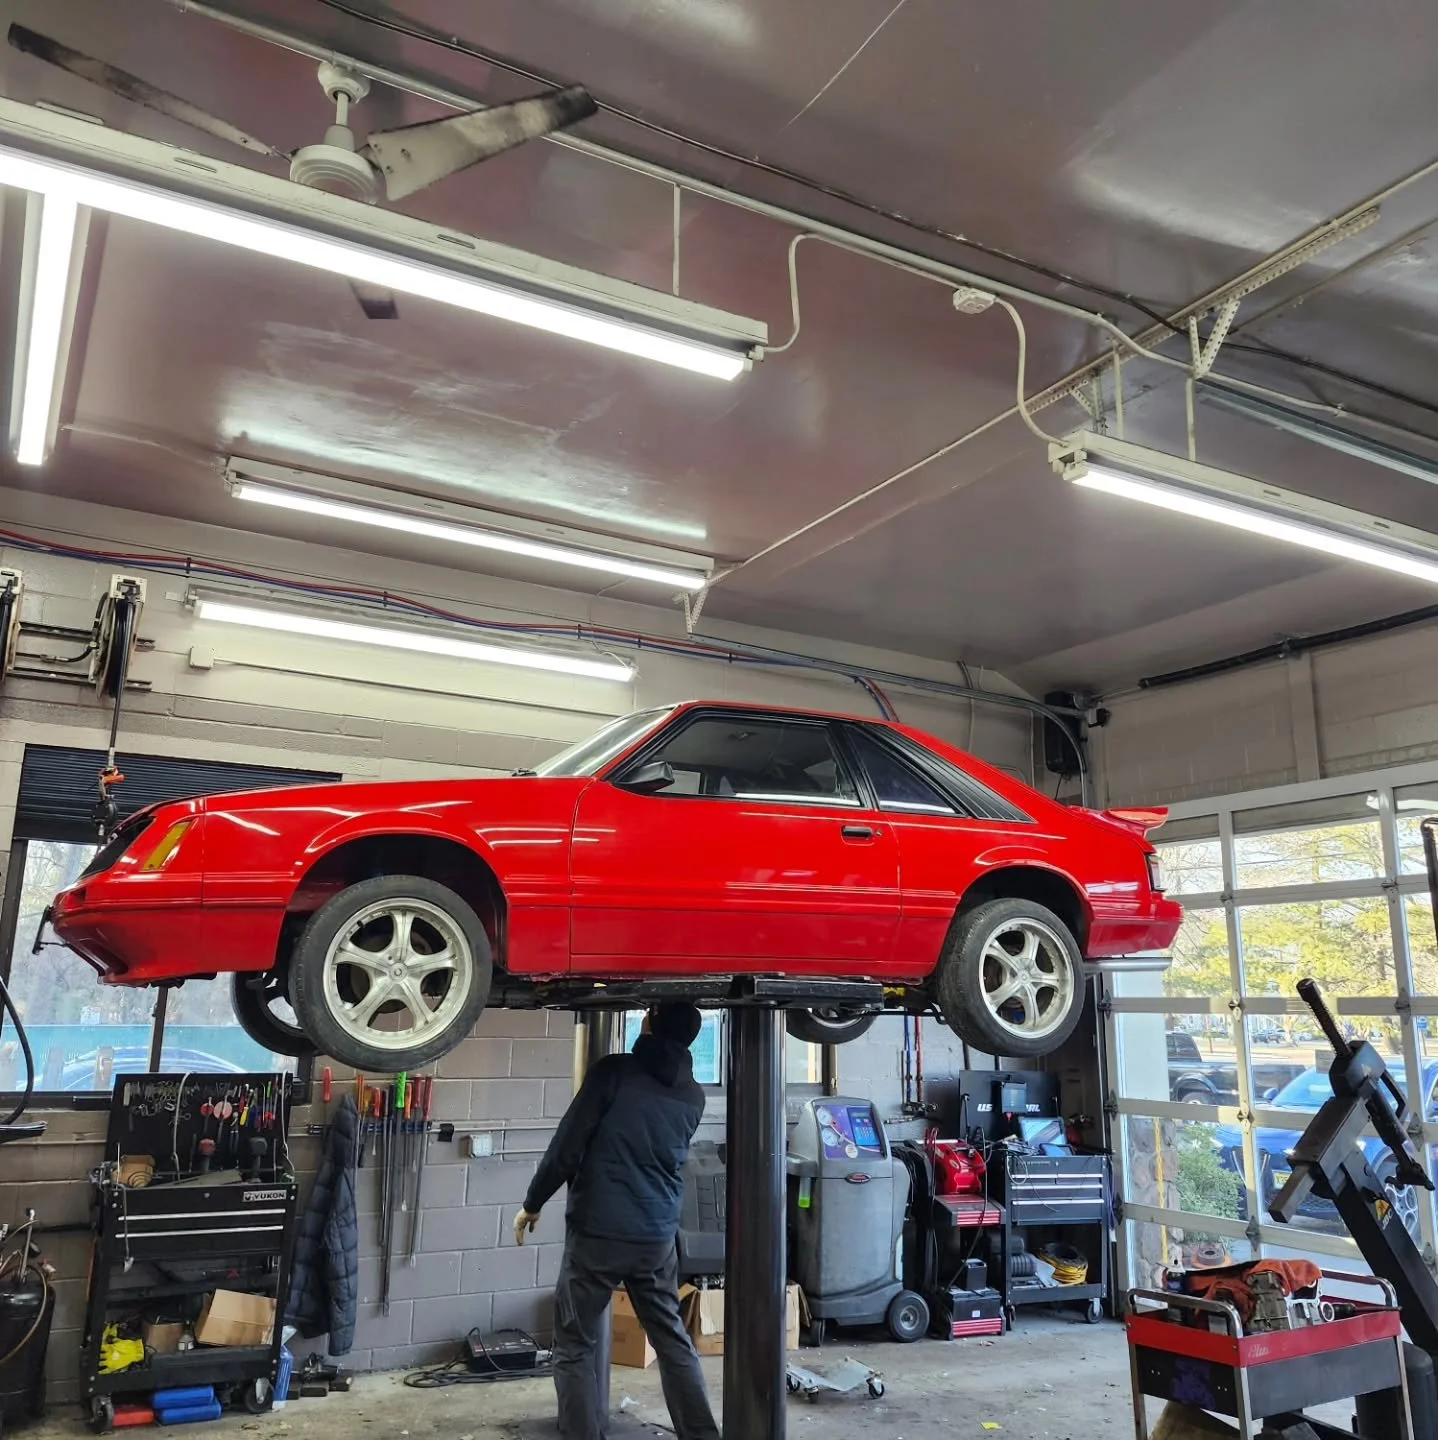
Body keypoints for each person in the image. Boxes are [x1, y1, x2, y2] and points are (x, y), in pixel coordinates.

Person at [514, 1003, 719, 1440]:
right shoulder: (693, 1096)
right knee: (672, 1342)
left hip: (598, 1234)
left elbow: (568, 1144)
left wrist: (534, 1201)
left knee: (573, 1346)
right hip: (656, 1237)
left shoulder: (613, 1073)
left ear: (649, 1023)